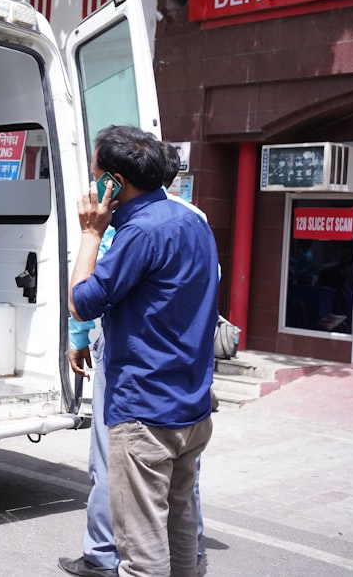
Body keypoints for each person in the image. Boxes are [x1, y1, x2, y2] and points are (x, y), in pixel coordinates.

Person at [68, 127, 219, 577]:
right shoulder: (191, 221)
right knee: (180, 534)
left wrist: (91, 234)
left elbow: (81, 300)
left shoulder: (140, 234)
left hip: (145, 413)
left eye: (96, 176)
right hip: (190, 408)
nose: (92, 186)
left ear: (114, 182)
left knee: (142, 552)